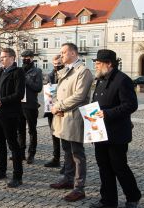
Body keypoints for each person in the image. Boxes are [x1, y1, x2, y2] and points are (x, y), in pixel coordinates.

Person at [89, 49, 142, 208]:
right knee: (104, 168)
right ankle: (108, 201)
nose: (96, 66)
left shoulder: (122, 79)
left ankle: (133, 196)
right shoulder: (100, 79)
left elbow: (131, 105)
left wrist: (108, 113)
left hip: (117, 134)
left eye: (98, 63)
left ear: (109, 63)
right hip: (100, 132)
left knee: (119, 167)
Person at [50, 43, 93, 202]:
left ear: (73, 53)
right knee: (66, 150)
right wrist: (55, 105)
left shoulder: (83, 71)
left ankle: (79, 187)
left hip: (74, 118)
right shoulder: (66, 70)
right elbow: (57, 91)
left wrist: (59, 106)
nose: (61, 56)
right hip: (63, 116)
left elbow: (79, 96)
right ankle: (67, 179)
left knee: (77, 154)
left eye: (64, 52)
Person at [0, 48, 25, 188]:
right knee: (0, 143)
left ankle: (17, 175)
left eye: (4, 57)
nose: (1, 59)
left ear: (12, 58)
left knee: (13, 144)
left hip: (10, 114)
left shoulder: (18, 72)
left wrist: (1, 101)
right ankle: (1, 170)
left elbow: (19, 94)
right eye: (0, 56)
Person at [18, 50, 43, 164]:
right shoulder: (19, 70)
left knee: (32, 130)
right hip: (19, 104)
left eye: (27, 57)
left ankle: (31, 153)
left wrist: (26, 79)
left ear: (32, 58)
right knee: (20, 130)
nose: (25, 59)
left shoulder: (37, 71)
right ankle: (21, 153)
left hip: (31, 105)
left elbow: (38, 87)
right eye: (23, 57)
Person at [43, 55, 65, 169]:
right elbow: (46, 90)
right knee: (54, 134)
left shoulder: (67, 74)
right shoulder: (50, 75)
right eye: (55, 64)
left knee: (65, 136)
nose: (57, 66)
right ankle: (56, 158)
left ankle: (67, 162)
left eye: (59, 63)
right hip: (51, 109)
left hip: (63, 109)